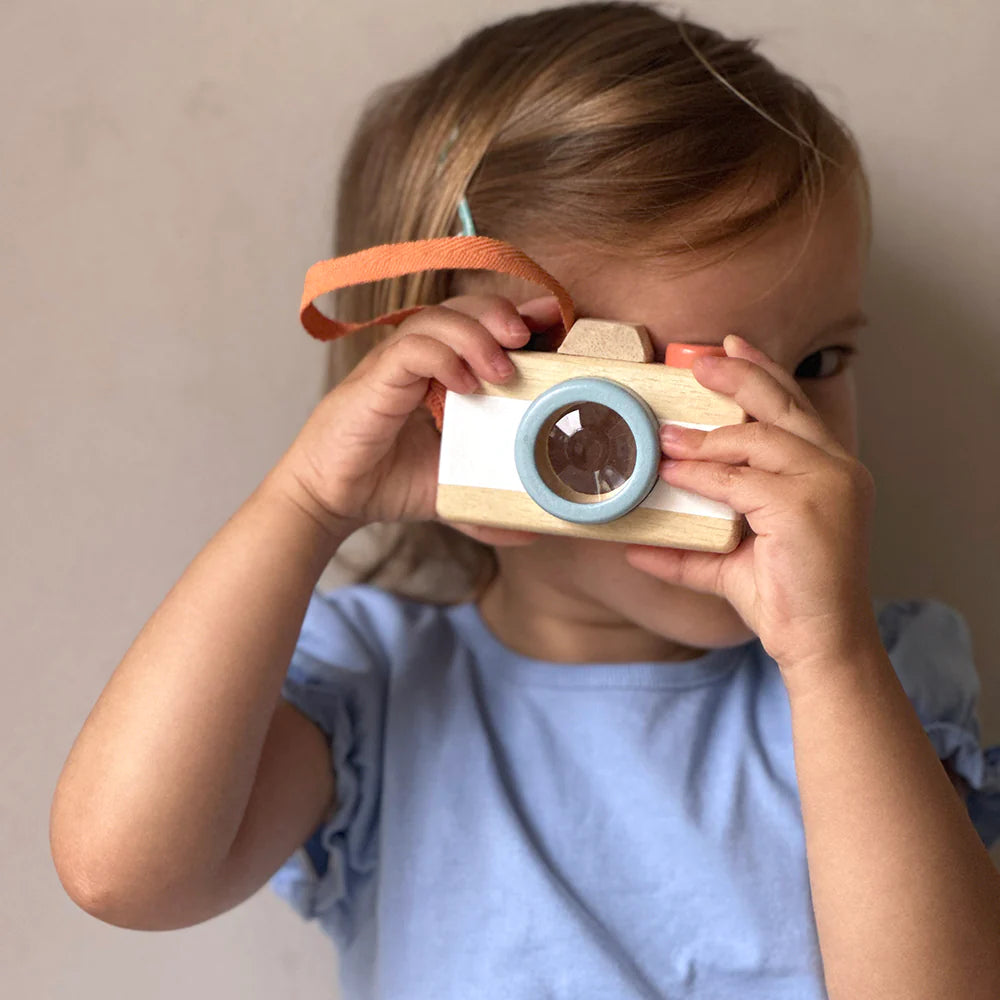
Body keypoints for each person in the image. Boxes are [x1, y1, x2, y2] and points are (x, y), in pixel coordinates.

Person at [50, 4, 1000, 998]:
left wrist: (830, 657)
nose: (776, 439)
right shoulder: (374, 690)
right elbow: (121, 874)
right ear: (462, 404)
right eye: (667, 397)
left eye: (816, 362)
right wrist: (304, 505)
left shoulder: (866, 683)